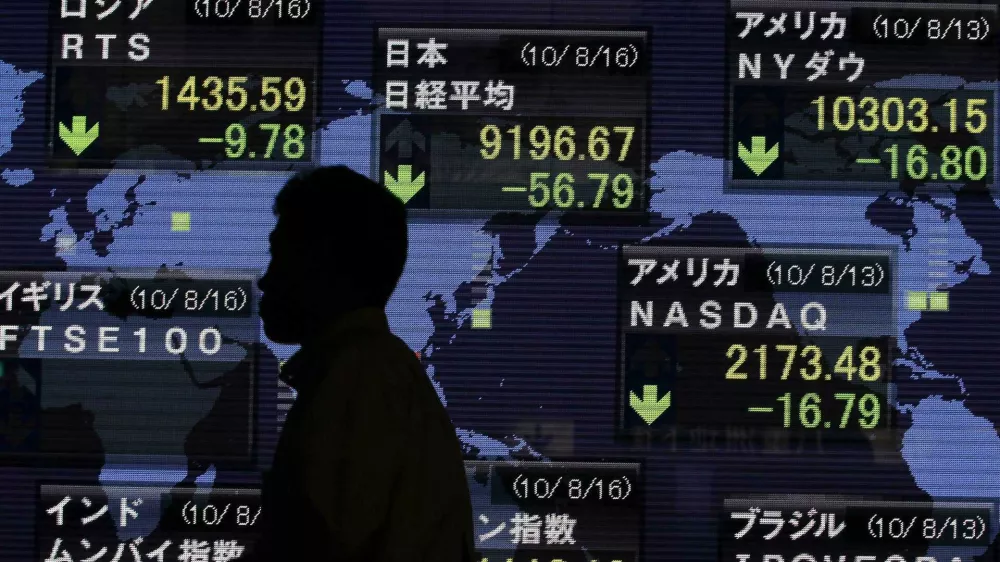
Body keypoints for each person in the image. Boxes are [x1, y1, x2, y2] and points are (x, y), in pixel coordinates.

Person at [248, 166, 475, 561]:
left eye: (280, 255)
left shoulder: (357, 381)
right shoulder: (380, 372)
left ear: (319, 264)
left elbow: (315, 549)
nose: (265, 281)